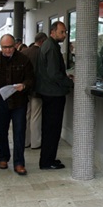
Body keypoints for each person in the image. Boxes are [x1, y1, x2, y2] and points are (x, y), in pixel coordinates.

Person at [0, 34, 33, 175]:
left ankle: (19, 162)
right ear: (0, 47)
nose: (7, 50)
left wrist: (24, 86)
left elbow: (31, 79)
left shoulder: (24, 60)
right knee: (2, 131)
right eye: (4, 47)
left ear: (15, 45)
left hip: (18, 101)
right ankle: (4, 157)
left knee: (19, 132)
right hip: (0, 101)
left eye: (10, 47)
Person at [35, 22, 72, 170]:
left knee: (51, 128)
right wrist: (69, 82)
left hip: (50, 92)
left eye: (65, 32)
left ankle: (49, 158)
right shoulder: (51, 47)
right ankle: (47, 161)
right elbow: (53, 73)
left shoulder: (50, 45)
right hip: (53, 94)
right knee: (52, 128)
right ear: (53, 32)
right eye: (62, 32)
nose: (64, 35)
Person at [23, 32, 47, 150]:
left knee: (26, 115)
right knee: (36, 115)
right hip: (37, 89)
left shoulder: (25, 52)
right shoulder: (42, 53)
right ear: (42, 41)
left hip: (24, 89)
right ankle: (36, 142)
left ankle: (25, 141)